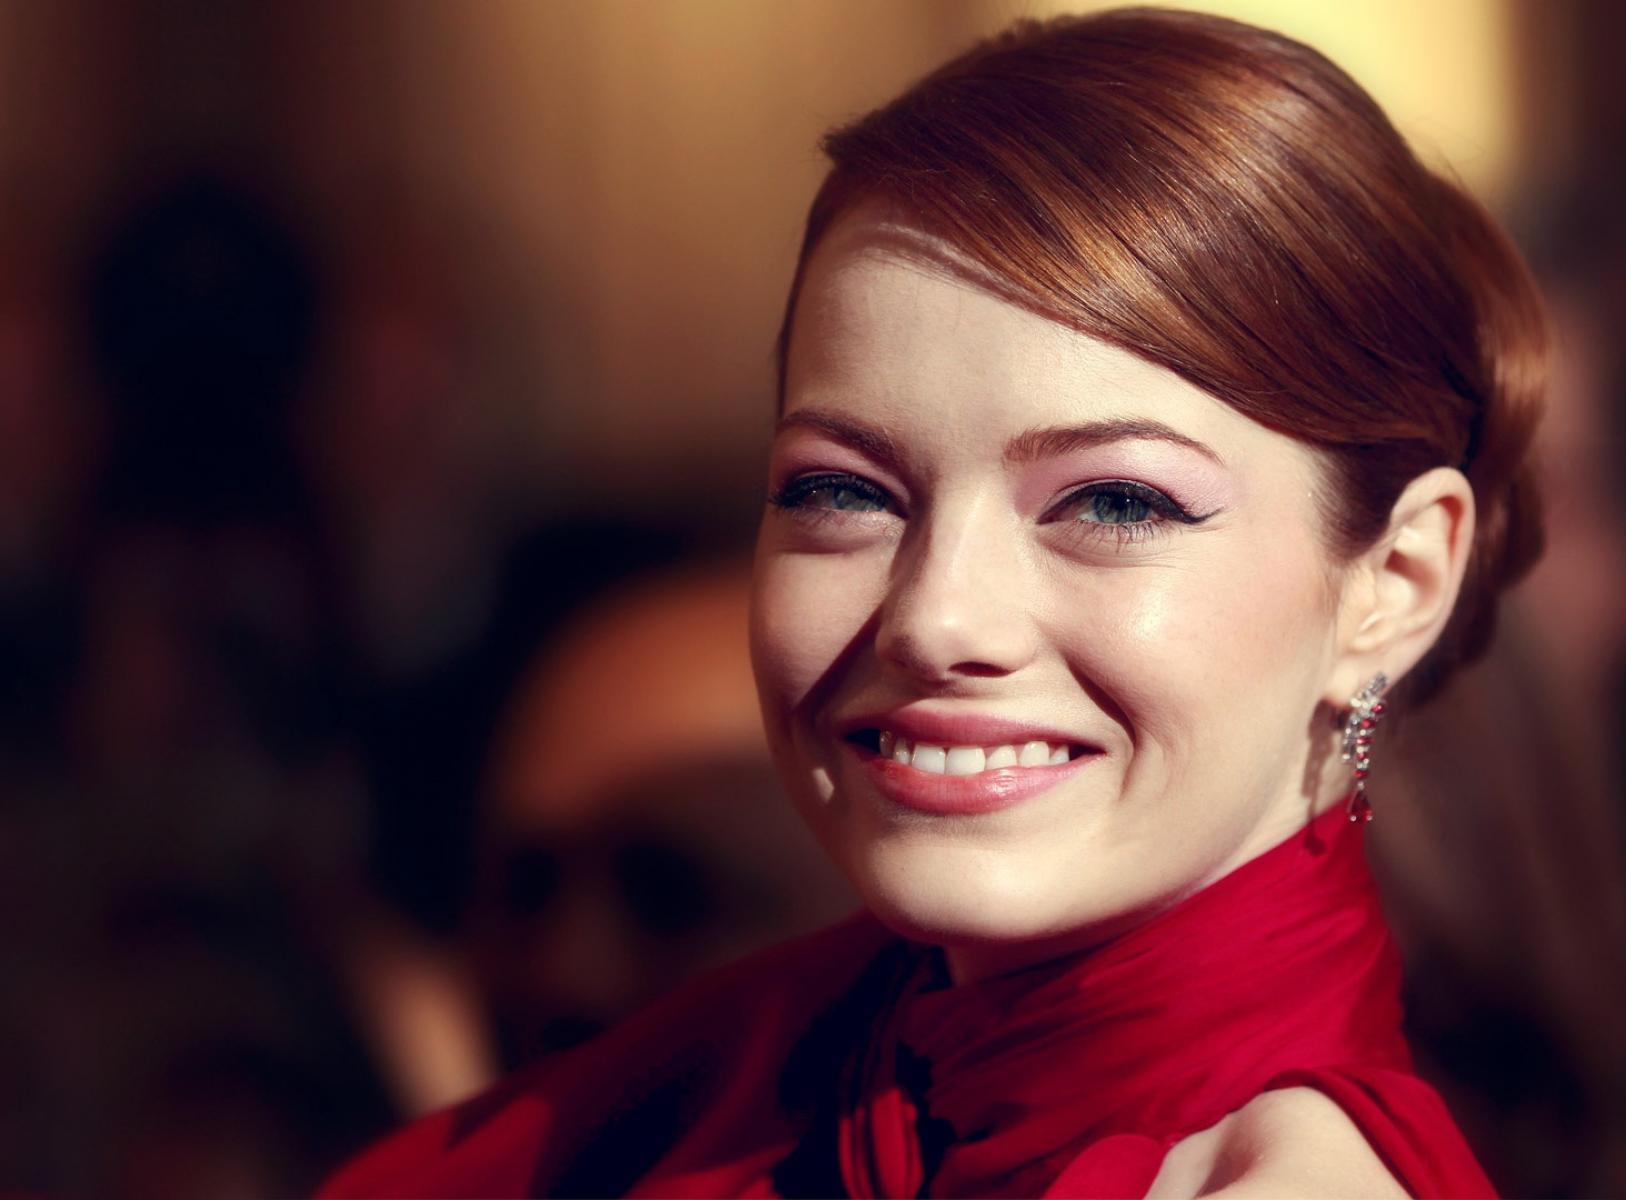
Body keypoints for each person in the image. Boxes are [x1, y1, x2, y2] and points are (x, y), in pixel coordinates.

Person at [321, 8, 1545, 1197]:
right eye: (842, 491)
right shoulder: (720, 1082)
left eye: (1115, 503)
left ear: (1395, 586)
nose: (934, 618)